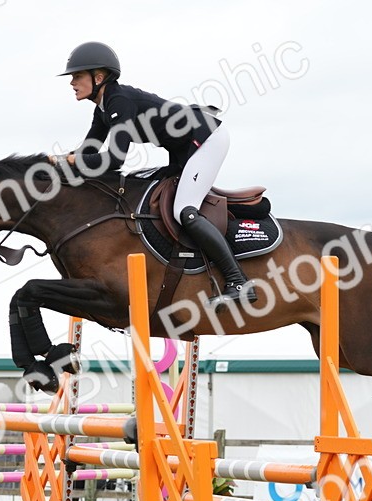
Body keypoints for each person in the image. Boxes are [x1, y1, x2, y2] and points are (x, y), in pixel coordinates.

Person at [51, 42, 257, 305]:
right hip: (182, 149)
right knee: (143, 187)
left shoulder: (119, 101)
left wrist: (68, 160)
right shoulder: (103, 109)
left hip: (208, 139)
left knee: (185, 211)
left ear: (99, 77)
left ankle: (238, 281)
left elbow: (115, 159)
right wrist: (57, 166)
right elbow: (87, 152)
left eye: (77, 76)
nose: (72, 83)